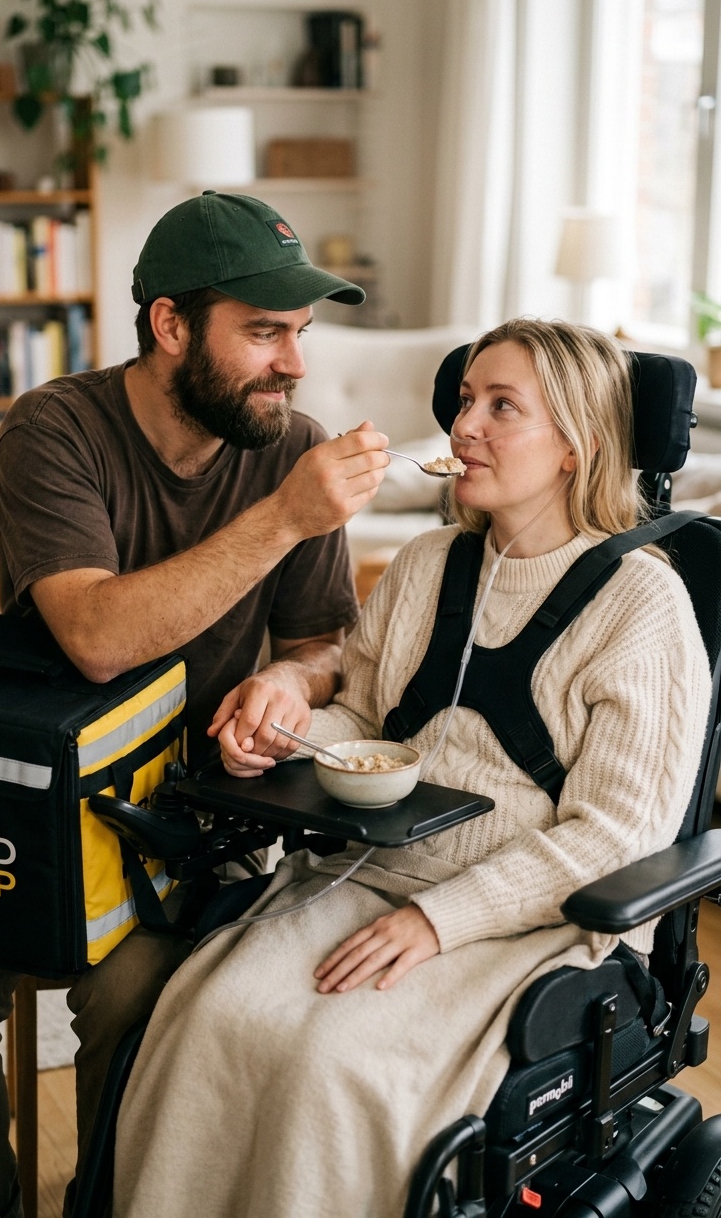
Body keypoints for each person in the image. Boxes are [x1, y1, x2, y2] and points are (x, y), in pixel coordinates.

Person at [113, 318, 712, 1218]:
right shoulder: (427, 564)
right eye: (465, 399)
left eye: (501, 406)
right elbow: (369, 716)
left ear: (574, 447)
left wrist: (439, 921)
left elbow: (616, 835)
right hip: (370, 869)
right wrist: (292, 727)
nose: (464, 424)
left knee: (332, 1066)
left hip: (527, 921)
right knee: (207, 1017)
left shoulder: (644, 603)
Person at [0, 190, 391, 1218]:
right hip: (36, 811)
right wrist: (285, 518)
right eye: (265, 332)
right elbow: (96, 639)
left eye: (302, 334)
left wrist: (289, 682)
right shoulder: (56, 427)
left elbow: (320, 644)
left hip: (189, 824)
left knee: (139, 996)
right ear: (170, 326)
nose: (294, 362)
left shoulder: (294, 442)